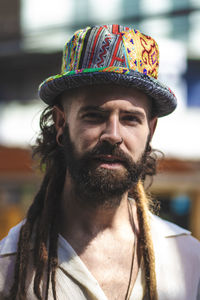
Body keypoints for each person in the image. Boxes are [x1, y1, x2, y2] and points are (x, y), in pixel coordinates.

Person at [0, 24, 200, 300]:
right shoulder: (10, 266)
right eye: (93, 116)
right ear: (61, 123)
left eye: (130, 118)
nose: (113, 135)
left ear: (150, 131)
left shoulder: (188, 261)